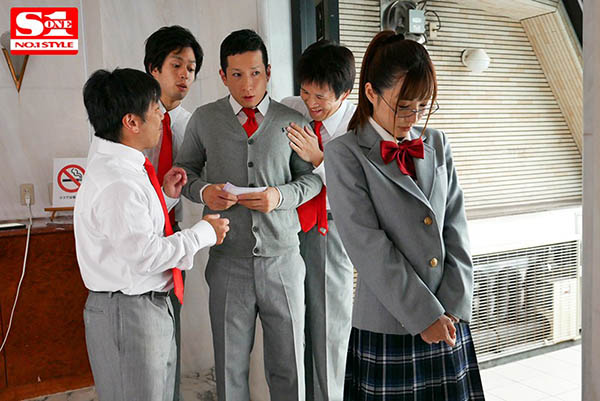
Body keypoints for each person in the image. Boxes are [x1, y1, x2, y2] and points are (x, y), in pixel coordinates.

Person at [324, 31, 485, 400]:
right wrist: (424, 315)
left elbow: (455, 226)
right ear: (370, 93)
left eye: (422, 106)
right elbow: (367, 245)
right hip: (391, 321)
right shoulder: (344, 153)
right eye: (403, 106)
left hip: (448, 316)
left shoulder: (437, 142)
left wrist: (453, 304)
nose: (413, 117)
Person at [175, 29, 322, 401]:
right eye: (237, 75)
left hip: (284, 262)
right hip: (227, 262)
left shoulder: (293, 121)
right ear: (223, 76)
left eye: (256, 73)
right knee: (229, 367)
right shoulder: (205, 119)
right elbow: (184, 172)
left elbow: (312, 180)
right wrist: (205, 191)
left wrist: (279, 196)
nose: (248, 84)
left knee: (289, 365)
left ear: (268, 72)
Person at [75, 68, 229, 401]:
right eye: (155, 108)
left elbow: (133, 229)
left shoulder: (126, 167)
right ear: (131, 122)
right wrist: (204, 233)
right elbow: (145, 254)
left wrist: (166, 197)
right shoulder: (117, 181)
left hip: (143, 306)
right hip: (128, 311)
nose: (161, 116)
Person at [281, 40, 356, 401]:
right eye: (305, 91)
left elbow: (358, 193)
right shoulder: (290, 108)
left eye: (321, 96)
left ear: (344, 93)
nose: (311, 102)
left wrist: (318, 159)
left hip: (334, 229)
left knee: (329, 328)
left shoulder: (360, 125)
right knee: (293, 326)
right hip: (290, 230)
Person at [143, 25, 203, 400]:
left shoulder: (193, 124)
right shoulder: (132, 118)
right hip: (139, 228)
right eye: (176, 65)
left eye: (191, 68)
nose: (184, 75)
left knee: (171, 326)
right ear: (154, 68)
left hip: (175, 229)